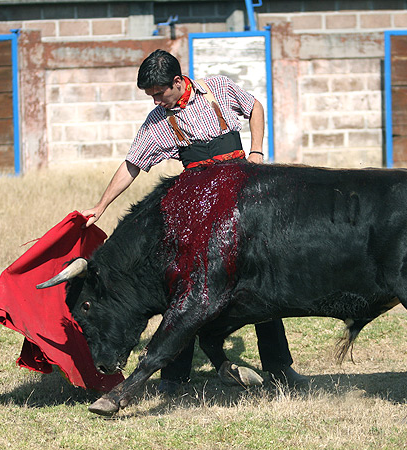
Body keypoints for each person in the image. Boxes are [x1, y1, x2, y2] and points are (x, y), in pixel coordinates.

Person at [82, 49, 306, 392]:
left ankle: (279, 368)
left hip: (242, 206)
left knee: (260, 281)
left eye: (159, 93)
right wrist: (100, 206)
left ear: (177, 81)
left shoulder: (218, 88)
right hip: (200, 216)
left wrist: (257, 151)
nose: (156, 101)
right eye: (151, 95)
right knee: (186, 287)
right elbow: (132, 165)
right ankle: (174, 379)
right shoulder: (157, 122)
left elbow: (255, 107)